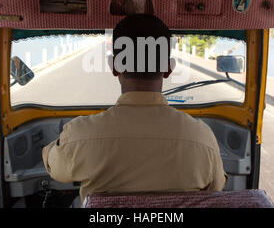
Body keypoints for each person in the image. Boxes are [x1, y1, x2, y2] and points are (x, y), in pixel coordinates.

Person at [42, 14, 227, 204]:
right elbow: (216, 188)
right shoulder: (202, 138)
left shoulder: (80, 135)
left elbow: (56, 169)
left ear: (115, 67)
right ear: (168, 69)